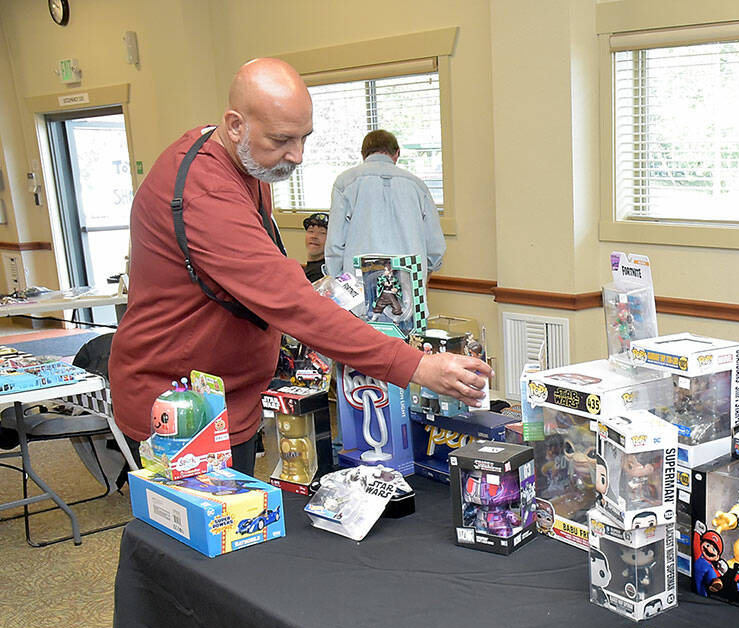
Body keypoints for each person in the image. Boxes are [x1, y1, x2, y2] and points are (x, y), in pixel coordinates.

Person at [110, 58, 490, 475]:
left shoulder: (243, 160)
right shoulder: (207, 191)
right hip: (182, 407)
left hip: (228, 399)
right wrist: (417, 366)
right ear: (235, 125)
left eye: (304, 137)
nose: (298, 155)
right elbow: (290, 301)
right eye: (282, 140)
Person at [325, 130, 445, 281]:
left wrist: (338, 279)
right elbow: (435, 247)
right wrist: (422, 274)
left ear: (363, 154)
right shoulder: (417, 186)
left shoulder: (345, 183)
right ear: (397, 153)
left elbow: (335, 244)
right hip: (409, 281)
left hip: (360, 282)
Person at [300, 212, 327, 282]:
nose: (314, 236)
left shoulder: (322, 273)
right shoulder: (306, 269)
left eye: (322, 233)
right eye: (311, 231)